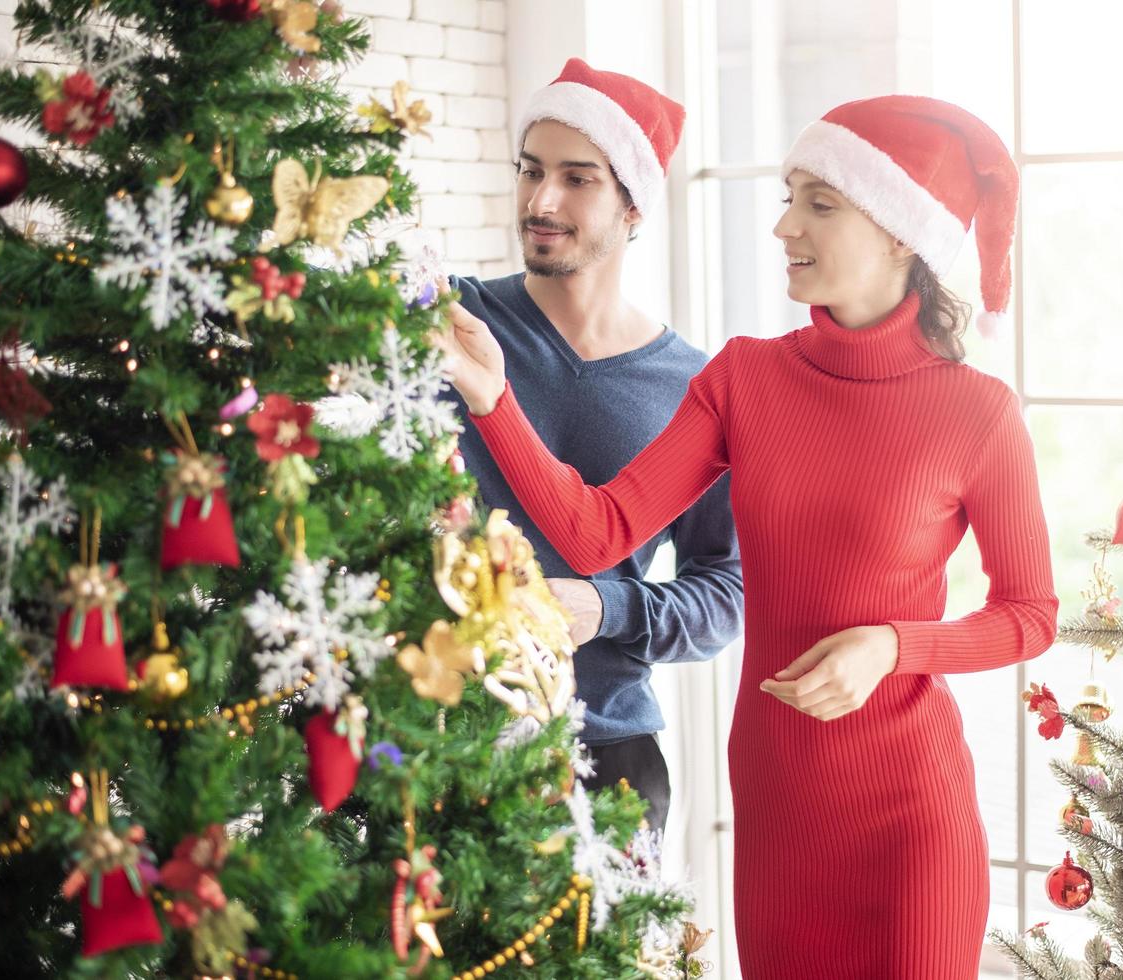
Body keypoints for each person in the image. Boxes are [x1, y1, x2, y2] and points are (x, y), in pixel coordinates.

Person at [434, 94, 1058, 978]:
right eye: (787, 195)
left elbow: (1030, 615)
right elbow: (595, 527)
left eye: (818, 204)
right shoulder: (744, 380)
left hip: (909, 812)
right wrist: (494, 396)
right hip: (776, 796)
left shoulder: (977, 413)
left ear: (900, 235)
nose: (782, 226)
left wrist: (892, 645)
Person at [444, 59, 744, 832]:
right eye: (530, 170)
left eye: (578, 179)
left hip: (609, 754)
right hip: (432, 736)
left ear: (633, 207)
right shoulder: (453, 326)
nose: (541, 202)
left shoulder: (692, 386)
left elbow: (727, 593)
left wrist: (604, 606)